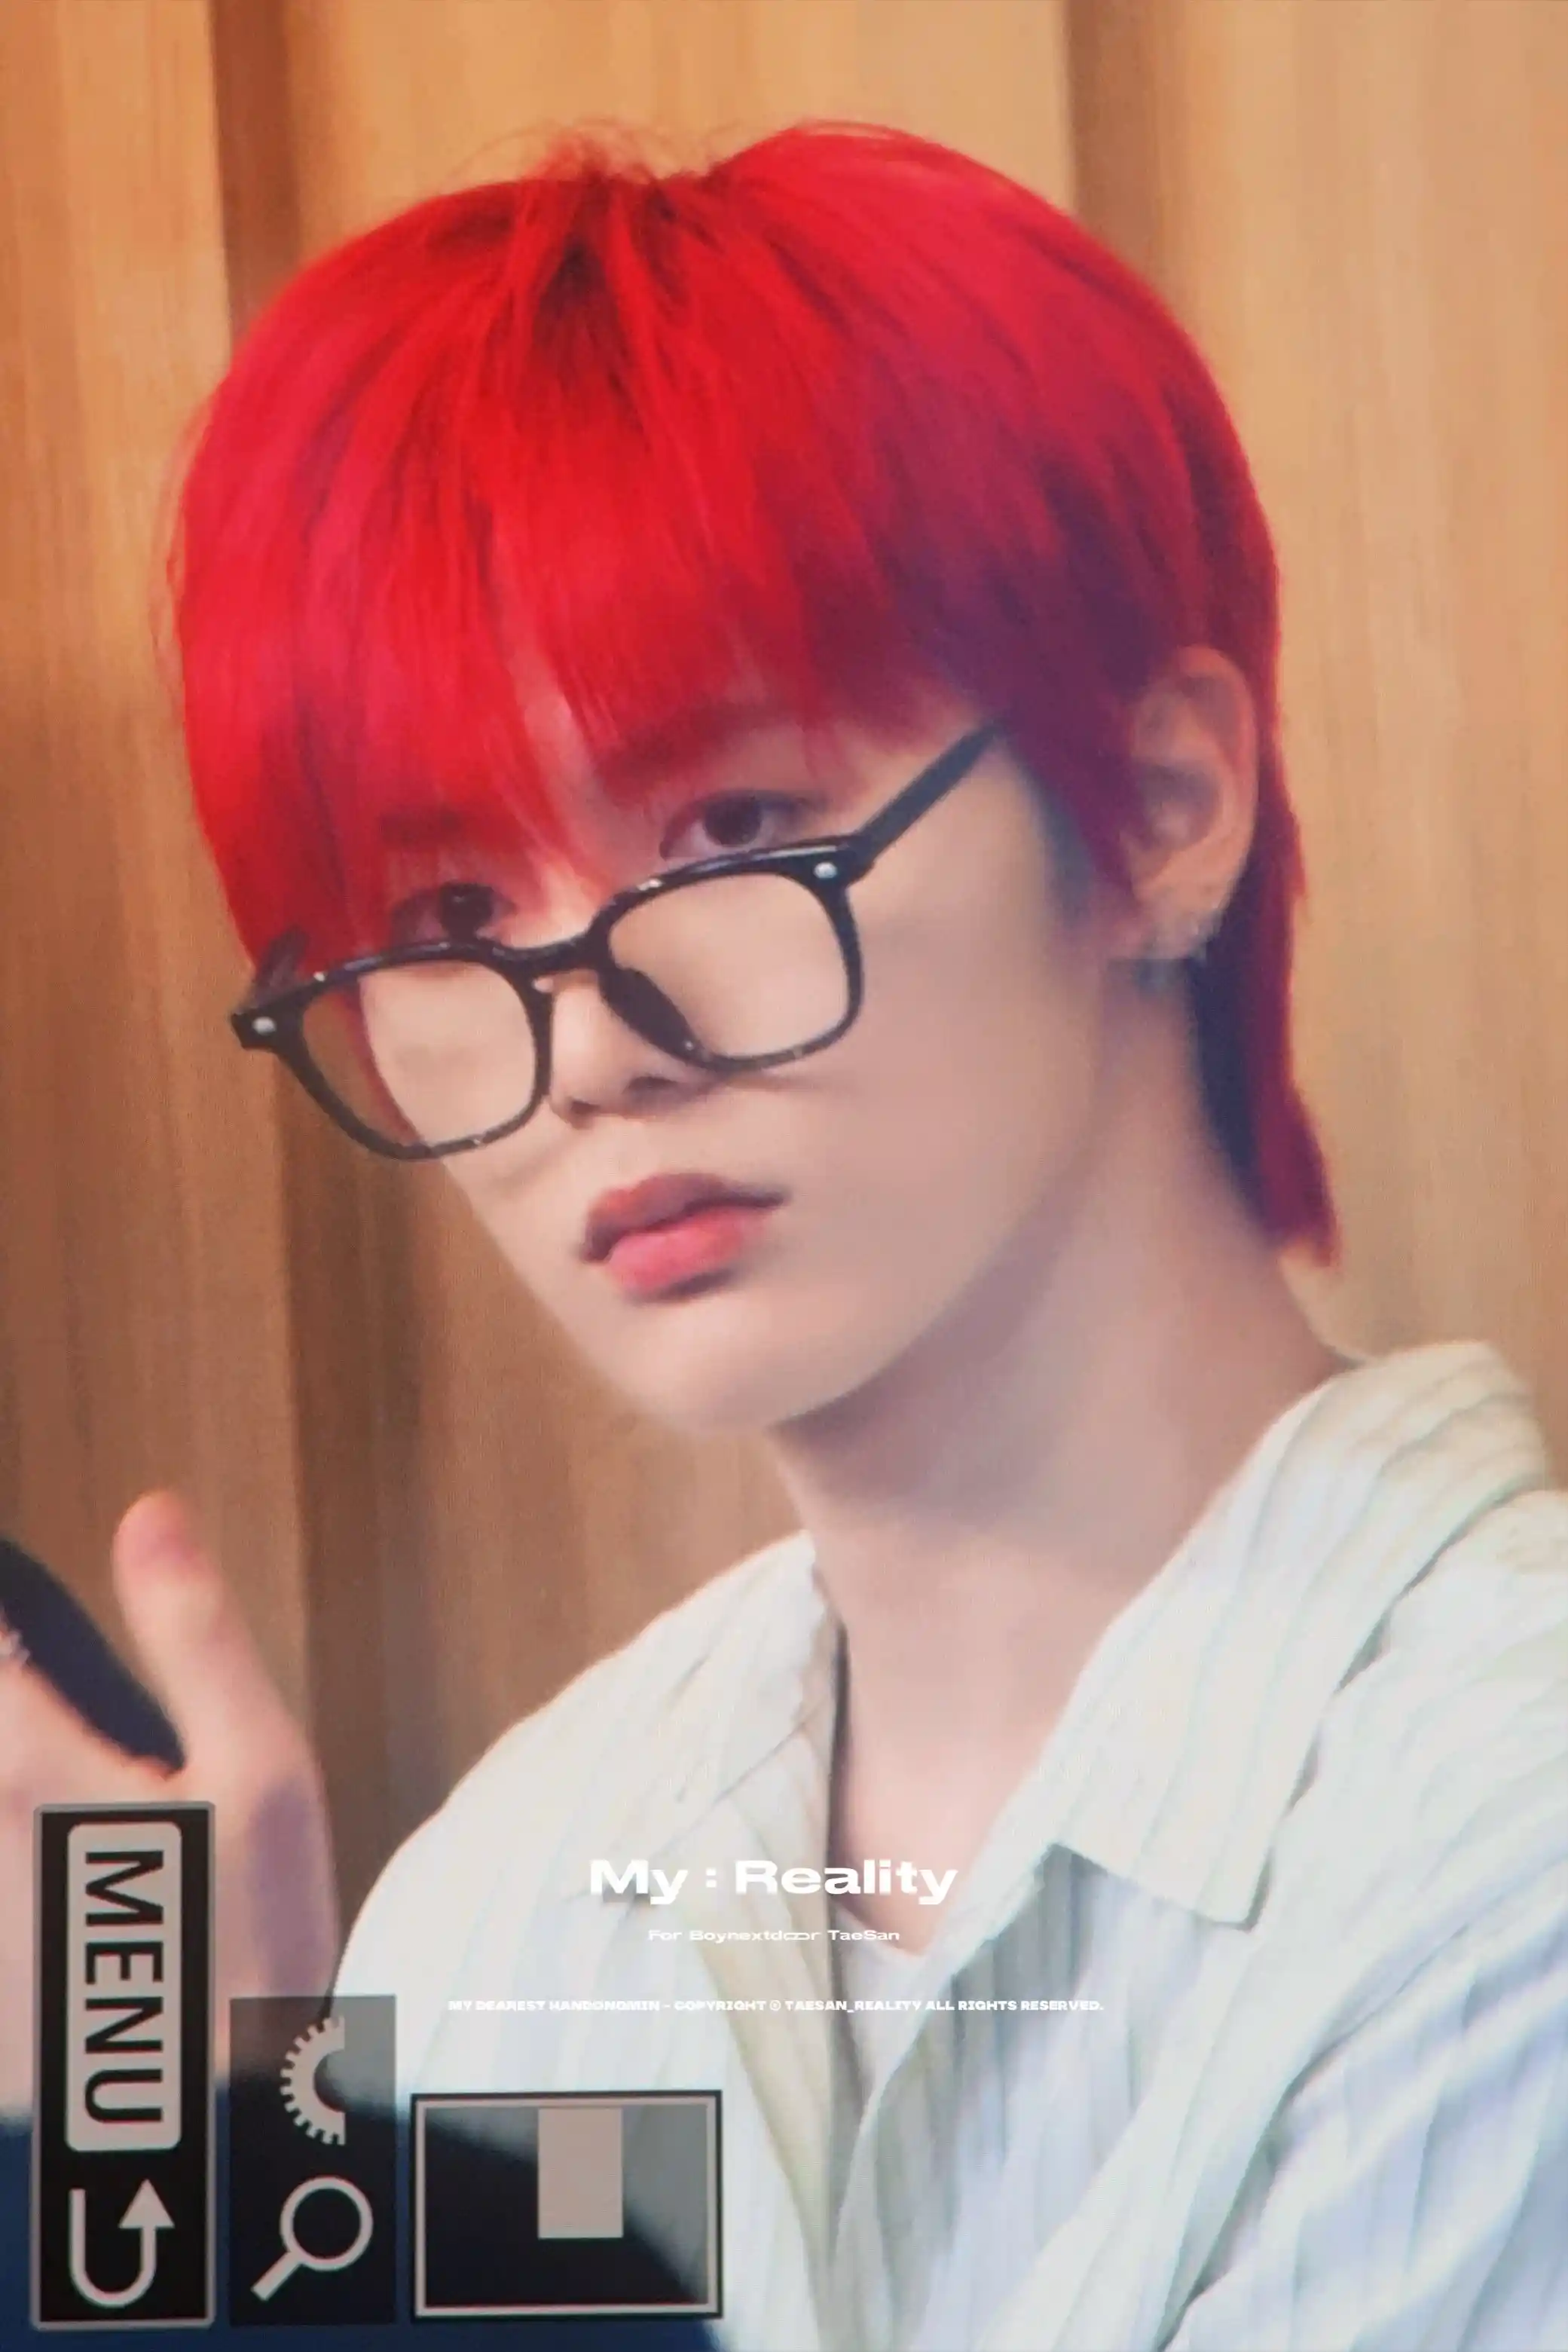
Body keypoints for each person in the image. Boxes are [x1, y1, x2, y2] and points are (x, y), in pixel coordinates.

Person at [5, 120, 1566, 2350]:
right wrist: (169, 2206)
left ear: (1159, 808)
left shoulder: (1505, 1814)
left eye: (735, 825)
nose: (586, 1045)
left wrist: (200, 2207)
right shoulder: (521, 1882)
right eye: (448, 918)